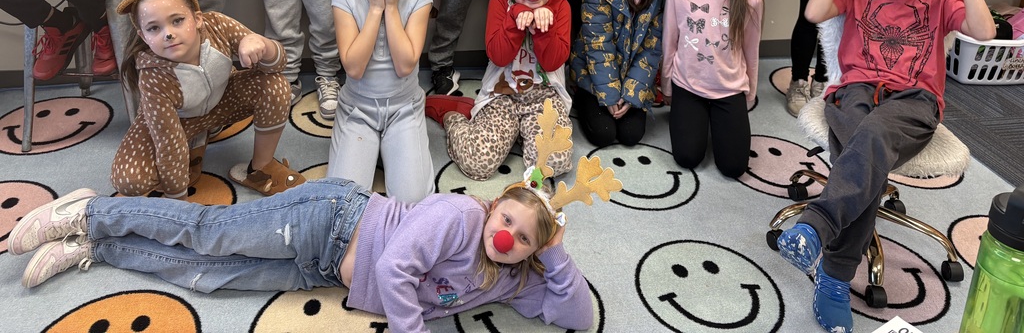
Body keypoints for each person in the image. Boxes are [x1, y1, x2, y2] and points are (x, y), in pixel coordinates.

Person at [11, 163, 607, 332]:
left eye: (522, 239)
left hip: (317, 271)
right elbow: (398, 266)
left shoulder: (514, 277)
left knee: (205, 274)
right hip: (334, 221)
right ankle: (92, 210)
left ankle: (95, 246)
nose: (505, 235)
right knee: (209, 230)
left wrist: (555, 254)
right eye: (506, 217)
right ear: (492, 205)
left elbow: (576, 318)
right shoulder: (459, 214)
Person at [776, 0, 994, 333]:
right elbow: (815, 12)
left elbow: (983, 31)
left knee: (869, 139)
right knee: (864, 151)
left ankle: (817, 233)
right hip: (856, 88)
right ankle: (835, 277)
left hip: (915, 100)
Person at [108, 0, 305, 199]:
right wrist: (179, 200)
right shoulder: (153, 75)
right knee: (129, 180)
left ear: (197, 19)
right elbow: (168, 144)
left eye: (177, 20)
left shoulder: (217, 25)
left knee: (275, 85)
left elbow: (279, 64)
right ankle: (196, 141)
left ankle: (261, 168)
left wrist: (263, 46)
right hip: (177, 125)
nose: (168, 33)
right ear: (143, 36)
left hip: (220, 104)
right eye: (154, 28)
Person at [426, 0, 573, 181]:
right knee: (478, 163)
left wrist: (543, 29)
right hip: (502, 92)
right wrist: (516, 18)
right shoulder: (499, 2)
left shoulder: (561, 6)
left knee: (552, 164)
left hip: (544, 96)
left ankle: (520, 130)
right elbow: (499, 56)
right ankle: (452, 115)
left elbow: (553, 61)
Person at [328, 0, 434, 202]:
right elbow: (353, 68)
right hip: (357, 109)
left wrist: (391, 6)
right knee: (344, 202)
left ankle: (392, 149)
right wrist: (376, 8)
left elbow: (405, 65)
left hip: (404, 109)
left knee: (413, 203)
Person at [661, 0, 762, 178]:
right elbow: (670, 40)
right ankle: (697, 119)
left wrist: (749, 94)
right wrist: (667, 83)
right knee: (686, 157)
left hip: (728, 89)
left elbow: (751, 50)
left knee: (733, 168)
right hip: (688, 85)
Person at [571, 0, 665, 147]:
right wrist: (610, 95)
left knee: (631, 135)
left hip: (632, 75)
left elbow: (652, 49)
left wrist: (632, 94)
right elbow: (597, 43)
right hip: (593, 73)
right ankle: (582, 96)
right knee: (603, 134)